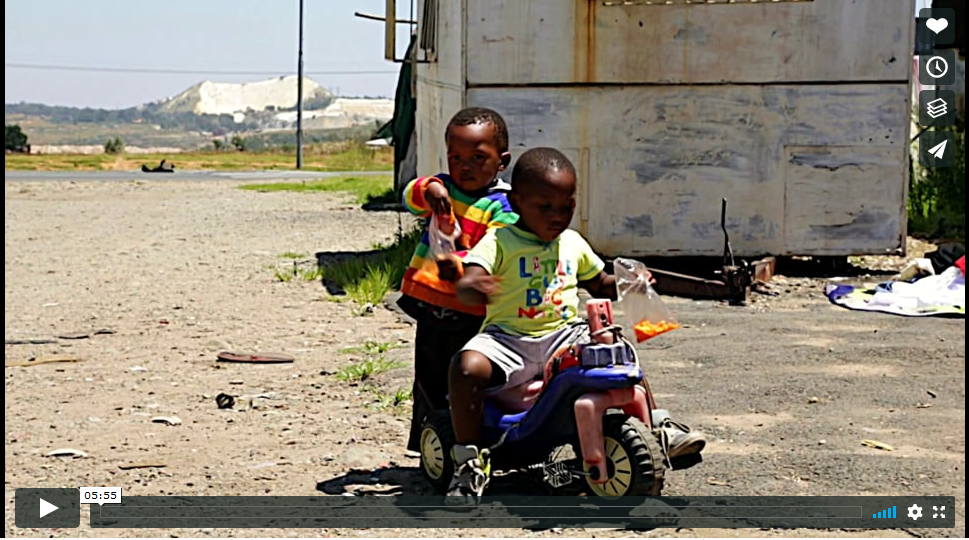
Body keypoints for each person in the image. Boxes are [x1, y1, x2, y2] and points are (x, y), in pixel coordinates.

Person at [448, 147, 706, 501]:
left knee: (620, 350)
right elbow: (470, 278)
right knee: (466, 367)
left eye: (567, 206)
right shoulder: (499, 241)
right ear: (517, 202)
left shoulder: (571, 242)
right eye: (545, 207)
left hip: (563, 336)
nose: (558, 217)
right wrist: (472, 286)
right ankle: (468, 462)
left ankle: (658, 426)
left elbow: (599, 283)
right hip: (508, 340)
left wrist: (629, 281)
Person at [398, 107, 519, 453]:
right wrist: (431, 188)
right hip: (431, 303)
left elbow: (497, 250)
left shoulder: (502, 206)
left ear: (502, 161)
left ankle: (470, 441)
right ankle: (429, 446)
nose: (465, 167)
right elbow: (410, 197)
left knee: (465, 377)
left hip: (471, 312)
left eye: (478, 158)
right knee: (428, 377)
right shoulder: (445, 188)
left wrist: (461, 263)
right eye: (456, 158)